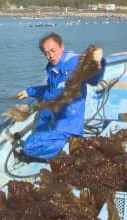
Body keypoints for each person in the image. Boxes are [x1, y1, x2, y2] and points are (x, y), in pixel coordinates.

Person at [15, 32, 106, 161]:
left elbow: (93, 79)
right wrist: (30, 91)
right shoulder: (53, 68)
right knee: (35, 138)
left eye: (53, 50)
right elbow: (51, 89)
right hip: (54, 121)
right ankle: (69, 147)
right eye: (46, 53)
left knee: (29, 147)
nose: (50, 55)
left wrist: (97, 64)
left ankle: (67, 151)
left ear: (62, 46)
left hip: (68, 124)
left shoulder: (75, 62)